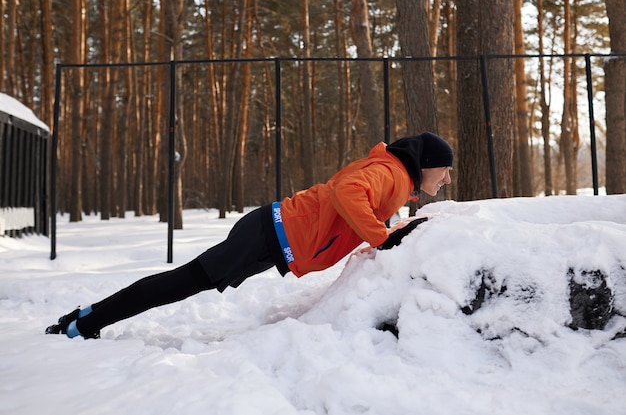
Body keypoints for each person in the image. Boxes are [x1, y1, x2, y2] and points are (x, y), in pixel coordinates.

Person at [46, 132, 454, 339]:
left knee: (182, 282)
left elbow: (349, 209)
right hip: (269, 234)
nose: (448, 177)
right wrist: (381, 237)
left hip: (272, 236)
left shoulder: (394, 177)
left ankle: (85, 317)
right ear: (429, 164)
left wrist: (385, 232)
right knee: (180, 283)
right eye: (446, 169)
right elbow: (347, 192)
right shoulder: (392, 174)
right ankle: (85, 323)